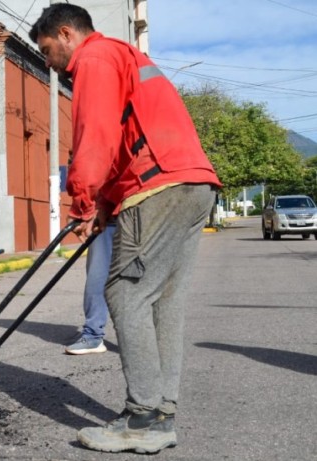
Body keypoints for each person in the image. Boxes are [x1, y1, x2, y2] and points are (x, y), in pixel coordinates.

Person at [30, 4, 221, 454]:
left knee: (124, 293)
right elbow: (124, 137)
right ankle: (161, 412)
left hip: (158, 188)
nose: (47, 60)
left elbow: (95, 134)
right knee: (162, 303)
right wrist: (103, 204)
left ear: (66, 33)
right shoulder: (124, 57)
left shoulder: (93, 59)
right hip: (192, 185)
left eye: (46, 50)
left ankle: (141, 417)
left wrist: (81, 196)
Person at [65, 223, 114, 355]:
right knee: (97, 275)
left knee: (140, 279)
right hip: (107, 219)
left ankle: (153, 338)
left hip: (138, 215)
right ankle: (93, 335)